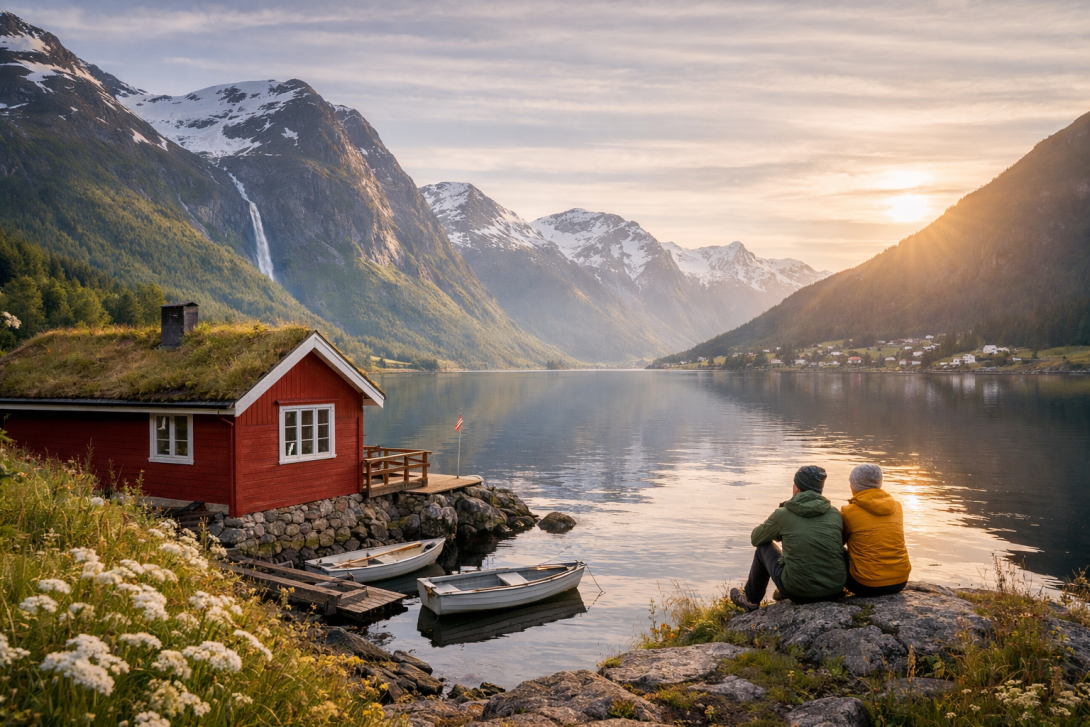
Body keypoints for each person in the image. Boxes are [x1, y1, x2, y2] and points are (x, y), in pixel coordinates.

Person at [730, 465, 847, 612]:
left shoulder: (783, 514)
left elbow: (756, 538)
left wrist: (780, 529)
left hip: (798, 592)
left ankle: (750, 600)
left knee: (763, 547)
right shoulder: (835, 513)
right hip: (834, 589)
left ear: (797, 488)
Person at [840, 464, 911, 596]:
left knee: (840, 552)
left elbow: (837, 542)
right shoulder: (897, 507)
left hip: (864, 584)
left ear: (853, 486)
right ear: (880, 483)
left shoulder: (848, 512)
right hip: (900, 581)